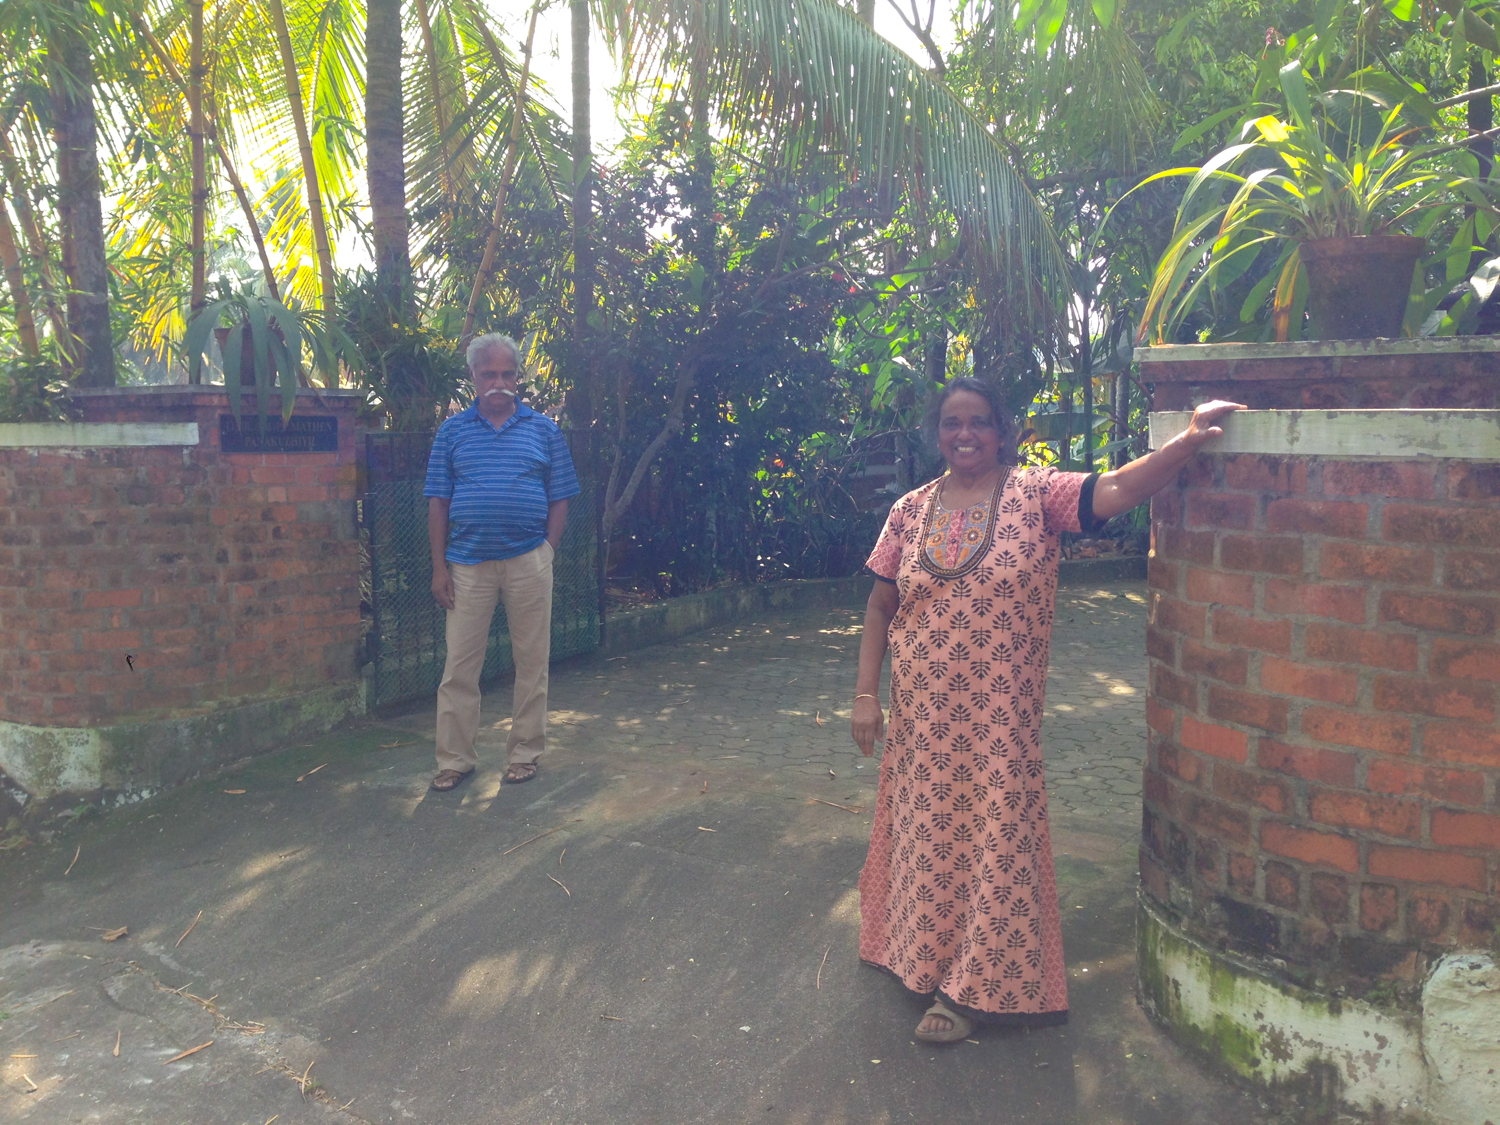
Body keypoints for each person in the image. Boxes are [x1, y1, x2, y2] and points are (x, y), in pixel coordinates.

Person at [850, 376, 1241, 1042]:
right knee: (928, 837)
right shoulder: (909, 511)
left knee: (997, 839)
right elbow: (881, 605)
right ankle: (921, 958)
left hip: (999, 724)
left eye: (978, 421)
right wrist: (865, 695)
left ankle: (970, 989)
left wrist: (1186, 442)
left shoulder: (1036, 495)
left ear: (1002, 430)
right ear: (937, 434)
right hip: (921, 721)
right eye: (951, 423)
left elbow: (1116, 489)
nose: (965, 434)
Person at [424, 333, 581, 792]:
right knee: (459, 668)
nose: (499, 382)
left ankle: (525, 754)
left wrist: (547, 550)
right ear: (473, 376)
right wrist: (438, 568)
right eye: (489, 373)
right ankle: (454, 760)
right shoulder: (452, 432)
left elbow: (561, 496)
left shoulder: (544, 430)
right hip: (466, 566)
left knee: (532, 663)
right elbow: (437, 502)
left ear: (518, 377)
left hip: (528, 560)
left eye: (507, 373)